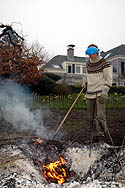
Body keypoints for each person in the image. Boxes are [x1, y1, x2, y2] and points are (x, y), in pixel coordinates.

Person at [82, 44, 112, 143]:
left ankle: (102, 135)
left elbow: (109, 78)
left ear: (96, 52)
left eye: (92, 54)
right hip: (90, 92)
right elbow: (87, 75)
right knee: (90, 116)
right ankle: (94, 134)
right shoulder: (88, 64)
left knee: (100, 116)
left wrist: (105, 90)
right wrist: (84, 81)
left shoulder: (105, 62)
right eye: (89, 54)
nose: (91, 56)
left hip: (100, 92)